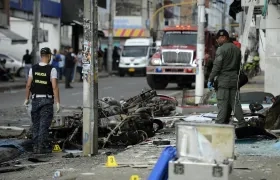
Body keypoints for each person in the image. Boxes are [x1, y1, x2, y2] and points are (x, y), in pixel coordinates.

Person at [23, 47, 60, 154]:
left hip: (35, 100)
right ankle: (41, 147)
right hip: (47, 101)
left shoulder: (33, 68)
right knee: (44, 125)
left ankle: (35, 147)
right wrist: (57, 102)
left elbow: (28, 85)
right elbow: (55, 87)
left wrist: (26, 99)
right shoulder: (52, 69)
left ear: (41, 56)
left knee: (36, 124)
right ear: (48, 56)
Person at [207, 29, 247, 128]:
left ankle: (218, 127)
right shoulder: (236, 49)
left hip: (224, 81)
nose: (217, 41)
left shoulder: (221, 49)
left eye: (218, 39)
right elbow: (238, 67)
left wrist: (210, 79)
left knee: (222, 105)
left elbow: (217, 67)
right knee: (235, 104)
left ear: (223, 37)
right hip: (234, 80)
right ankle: (243, 125)